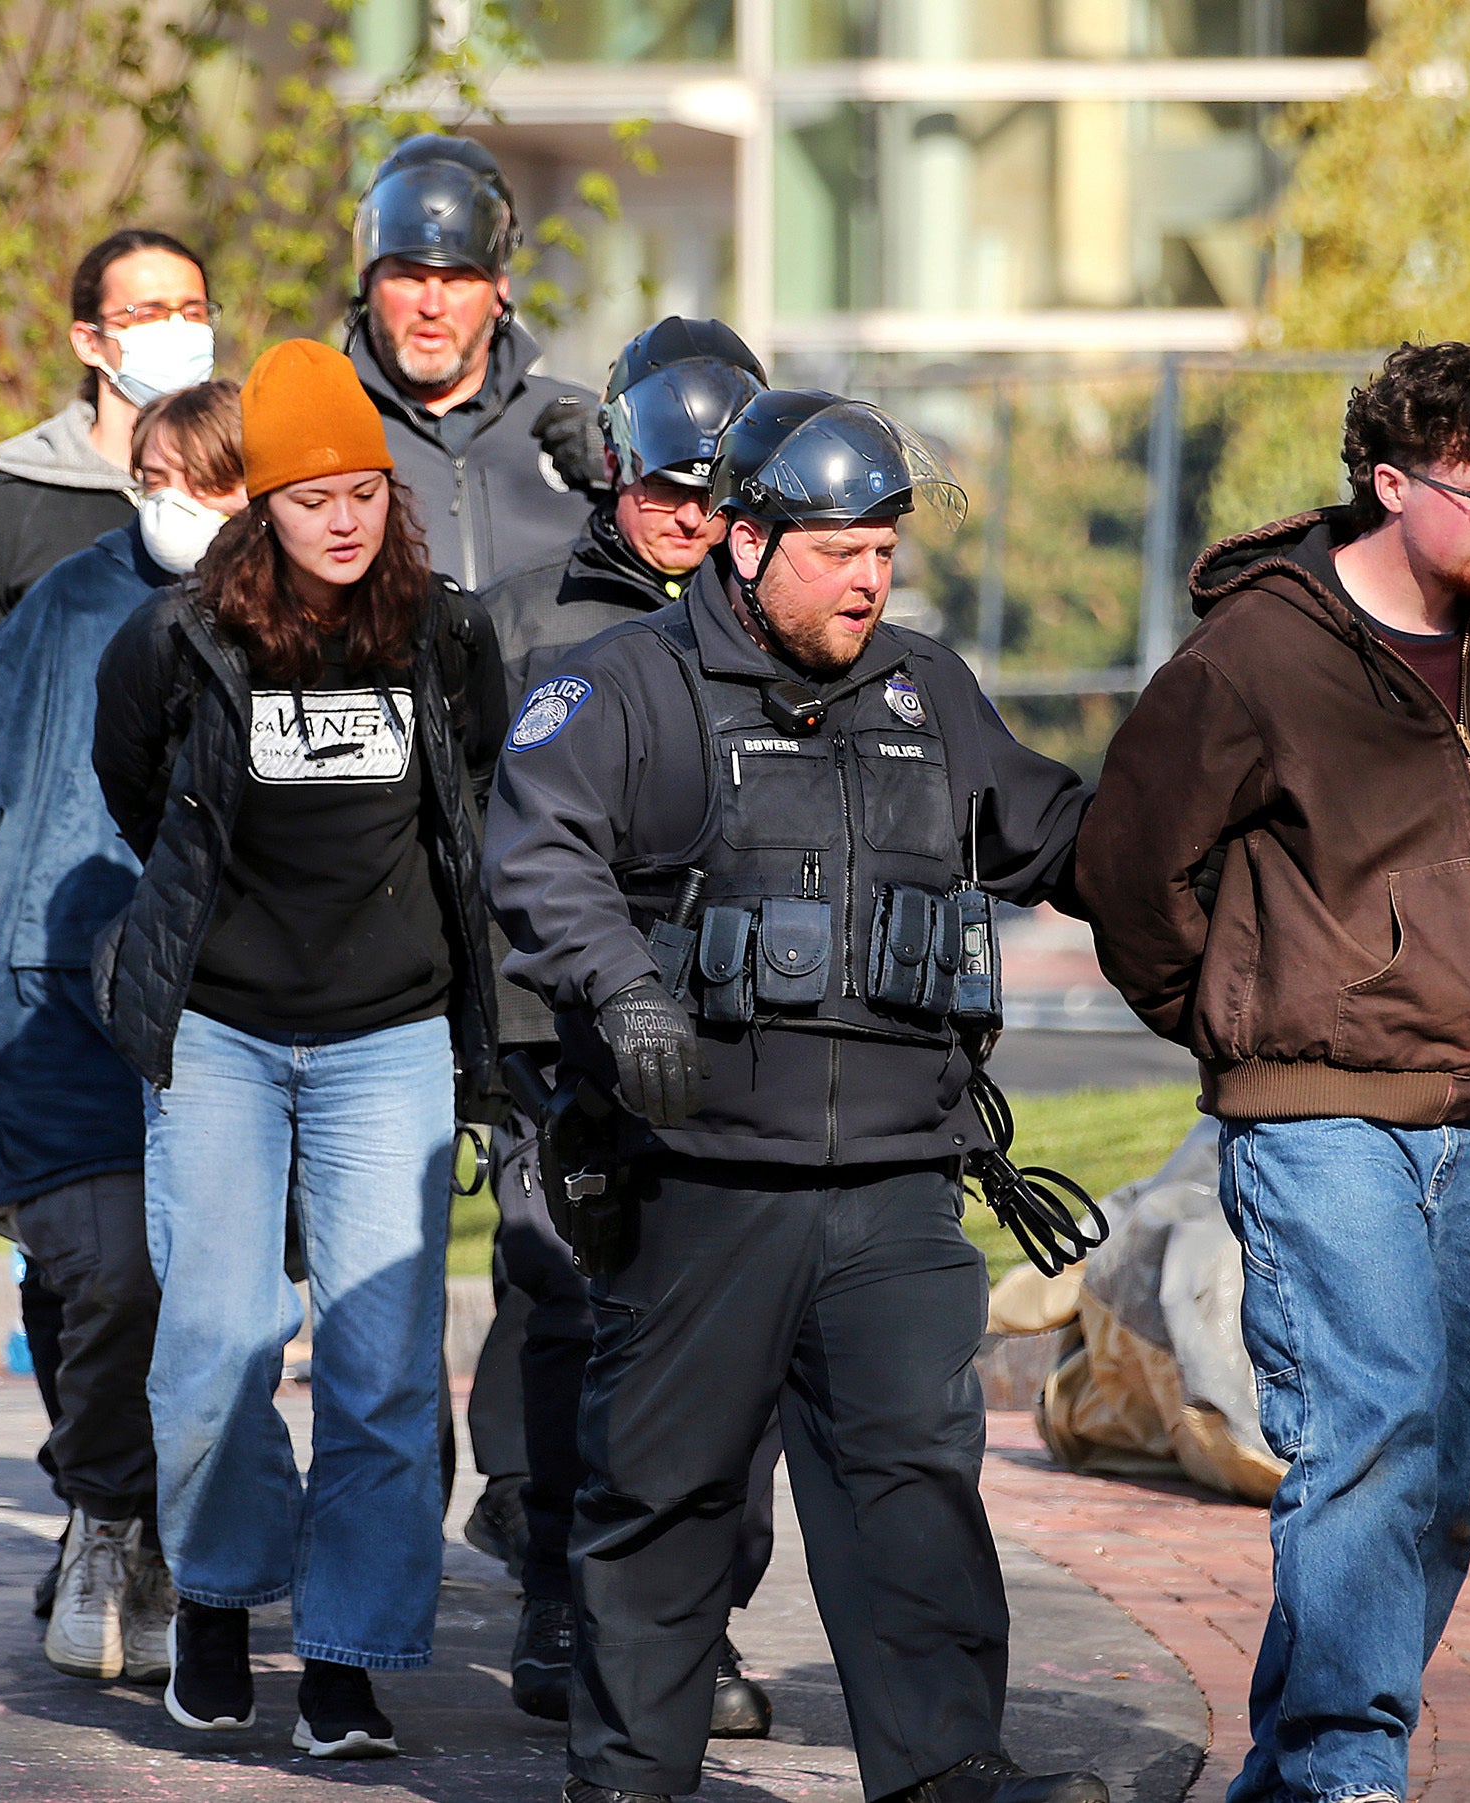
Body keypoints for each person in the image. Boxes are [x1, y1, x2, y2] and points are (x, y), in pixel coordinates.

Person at [485, 390, 1110, 1803]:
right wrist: (624, 989)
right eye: (841, 551)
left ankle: (948, 1765)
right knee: (667, 1494)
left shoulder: (925, 685)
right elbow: (536, 852)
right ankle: (631, 1776)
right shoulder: (626, 682)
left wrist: (1196, 812)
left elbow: (1054, 830)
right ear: (748, 540)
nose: (871, 578)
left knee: (915, 1482)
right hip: (697, 1172)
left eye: (885, 550)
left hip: (896, 1174)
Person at [1077, 342, 1470, 1803]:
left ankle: (1298, 1769)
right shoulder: (1256, 658)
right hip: (1317, 1111)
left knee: (1427, 1473)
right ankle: (1354, 1766)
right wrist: (1237, 1016)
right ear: (1388, 481)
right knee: (1362, 1426)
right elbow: (1129, 866)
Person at [92, 339, 503, 1759]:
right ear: (261, 502)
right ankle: (214, 1601)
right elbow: (140, 792)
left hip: (391, 1038)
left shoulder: (446, 636)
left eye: (366, 491)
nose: (344, 517)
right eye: (312, 493)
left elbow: (476, 798)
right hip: (217, 1031)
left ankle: (347, 1657)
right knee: (213, 1341)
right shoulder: (176, 637)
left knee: (382, 1368)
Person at [471, 317, 779, 1731]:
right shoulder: (527, 619)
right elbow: (478, 834)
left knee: (734, 1328)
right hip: (559, 1028)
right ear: (612, 472)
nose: (689, 521)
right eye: (666, 489)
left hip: (741, 1029)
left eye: (719, 496)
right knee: (569, 1303)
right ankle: (556, 1600)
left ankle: (695, 1617)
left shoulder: (797, 631)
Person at [0, 381, 246, 1686]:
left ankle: (139, 1524)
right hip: (69, 1003)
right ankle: (112, 1513)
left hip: (235, 1010)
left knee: (194, 1295)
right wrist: (43, 908)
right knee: (100, 1268)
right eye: (156, 472)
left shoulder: (311, 624)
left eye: (207, 479)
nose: (175, 501)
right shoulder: (66, 604)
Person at [345, 133, 596, 588]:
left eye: (458, 280)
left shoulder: (582, 428)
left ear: (500, 292)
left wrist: (630, 473)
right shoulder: (321, 422)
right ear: (367, 282)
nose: (432, 305)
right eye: (409, 277)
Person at [0, 228, 214, 661]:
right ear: (88, 342)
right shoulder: (13, 513)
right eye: (147, 314)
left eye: (194, 311)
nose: (177, 329)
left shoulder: (255, 491)